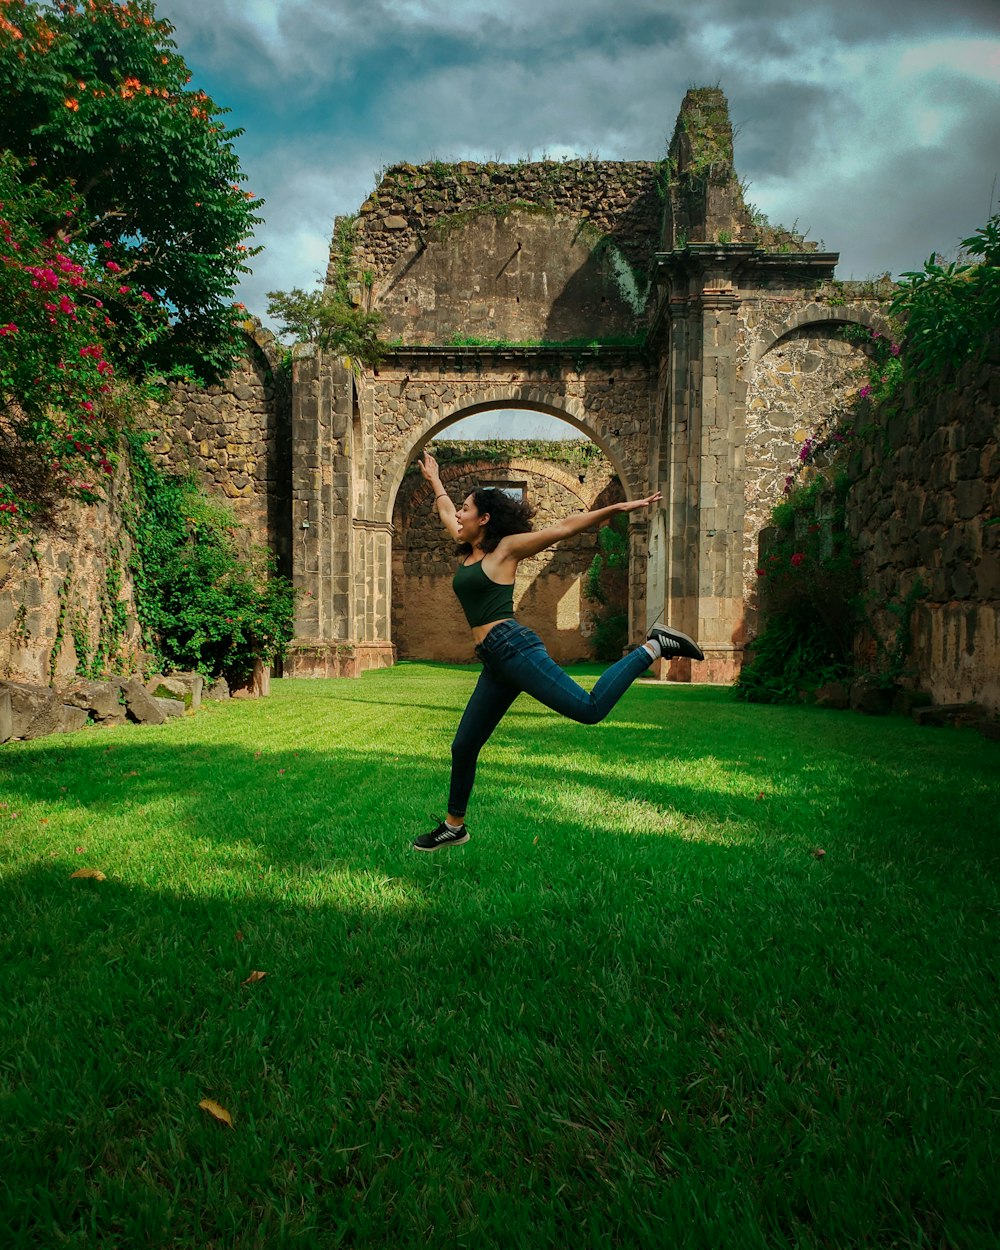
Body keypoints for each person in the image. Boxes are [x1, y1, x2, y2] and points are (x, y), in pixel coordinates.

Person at [412, 450, 704, 851]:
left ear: (484, 519)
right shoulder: (467, 547)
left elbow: (564, 527)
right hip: (495, 662)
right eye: (459, 510)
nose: (457, 515)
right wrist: (435, 480)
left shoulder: (506, 550)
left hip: (513, 648)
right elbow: (445, 510)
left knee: (588, 709)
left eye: (466, 510)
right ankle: (454, 826)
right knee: (463, 745)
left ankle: (655, 645)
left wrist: (616, 506)